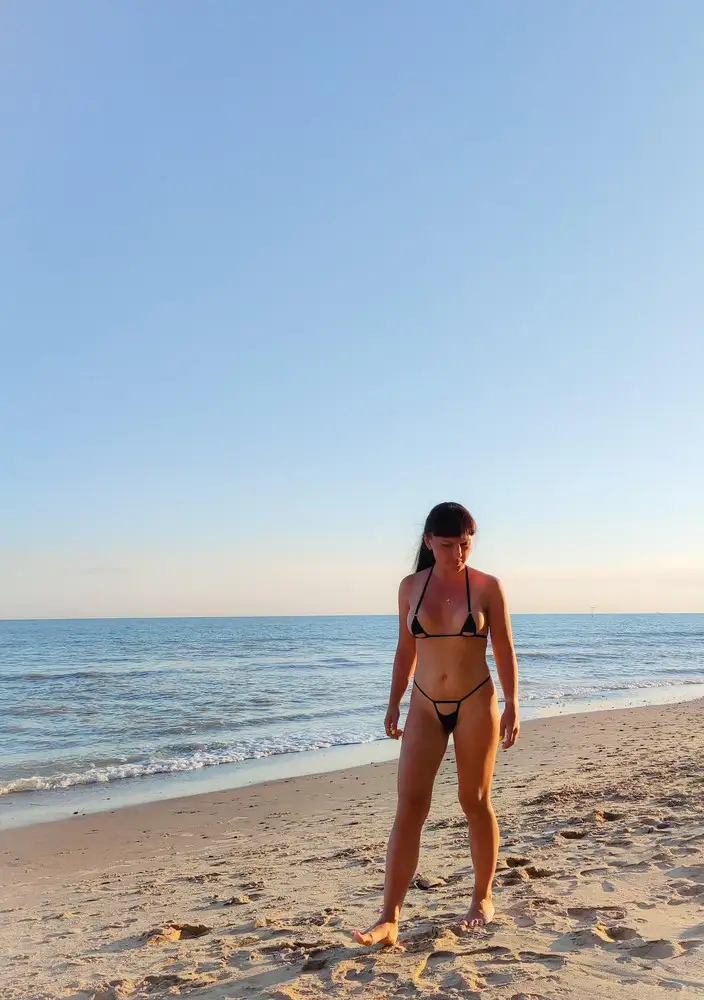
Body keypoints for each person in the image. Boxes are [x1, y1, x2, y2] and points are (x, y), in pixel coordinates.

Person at [353, 501, 520, 947]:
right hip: (425, 705)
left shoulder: (487, 586)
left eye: (465, 544)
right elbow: (405, 649)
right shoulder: (410, 587)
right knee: (409, 805)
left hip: (475, 701)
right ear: (429, 541)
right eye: (448, 545)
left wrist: (513, 703)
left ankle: (482, 897)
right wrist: (393, 703)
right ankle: (388, 918)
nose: (458, 553)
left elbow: (504, 648)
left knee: (474, 800)